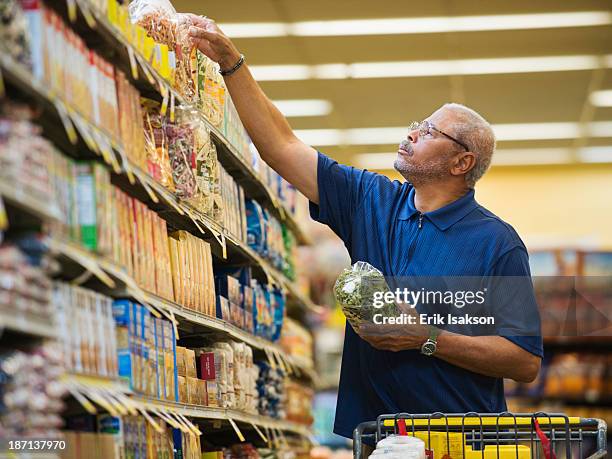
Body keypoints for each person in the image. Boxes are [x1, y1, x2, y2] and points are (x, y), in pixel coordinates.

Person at [187, 16, 543, 455]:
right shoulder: (371, 200)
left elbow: (524, 361)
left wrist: (425, 337)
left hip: (464, 441)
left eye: (430, 131)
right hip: (378, 440)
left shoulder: (497, 242)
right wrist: (232, 64)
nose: (412, 132)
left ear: (461, 163)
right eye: (418, 123)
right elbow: (281, 147)